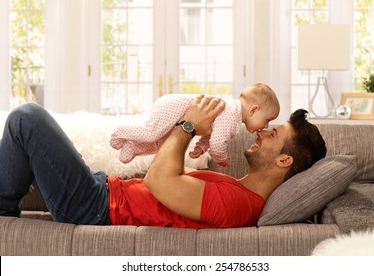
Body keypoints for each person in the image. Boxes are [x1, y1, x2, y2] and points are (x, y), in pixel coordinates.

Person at [0, 95, 326, 228]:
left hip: (96, 209)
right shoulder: (236, 187)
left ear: (284, 160)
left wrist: (187, 125)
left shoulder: (239, 204)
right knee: (25, 145)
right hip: (104, 192)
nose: (261, 133)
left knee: (26, 118)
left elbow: (159, 181)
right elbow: (161, 180)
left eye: (273, 134)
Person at [110, 83, 280, 166]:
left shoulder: (233, 118)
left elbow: (209, 135)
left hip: (175, 110)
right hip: (172, 107)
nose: (265, 126)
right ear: (254, 110)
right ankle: (119, 132)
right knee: (151, 133)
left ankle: (132, 148)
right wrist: (221, 158)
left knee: (161, 144)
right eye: (267, 120)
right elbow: (217, 142)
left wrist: (200, 148)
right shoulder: (231, 113)